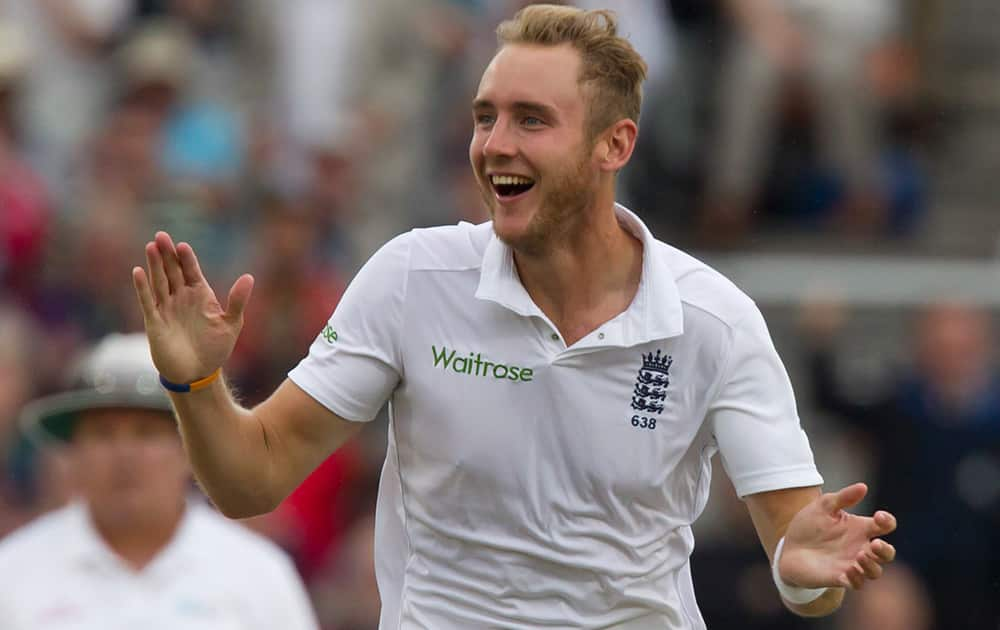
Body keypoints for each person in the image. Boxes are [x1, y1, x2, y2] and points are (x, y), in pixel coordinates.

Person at [132, 6, 897, 628]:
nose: (493, 145)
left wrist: (804, 579)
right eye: (484, 116)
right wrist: (195, 380)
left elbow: (801, 556)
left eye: (531, 120)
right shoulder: (412, 277)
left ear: (614, 144)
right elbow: (250, 481)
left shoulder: (714, 320)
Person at [0, 333, 319, 630]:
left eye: (146, 433)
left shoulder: (258, 576)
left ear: (190, 449)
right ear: (74, 451)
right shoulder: (13, 574)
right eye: (103, 433)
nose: (124, 454)